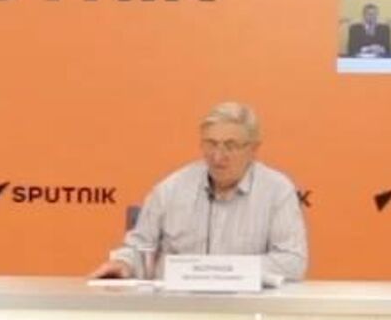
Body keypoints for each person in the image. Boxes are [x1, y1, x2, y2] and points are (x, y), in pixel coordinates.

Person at [94, 101, 307, 283]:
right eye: (211, 144)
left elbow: (292, 261)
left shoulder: (277, 191)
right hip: (177, 309)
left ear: (253, 149)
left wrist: (218, 271)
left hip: (247, 310)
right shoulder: (171, 189)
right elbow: (139, 248)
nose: (218, 156)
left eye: (230, 145)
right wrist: (124, 263)